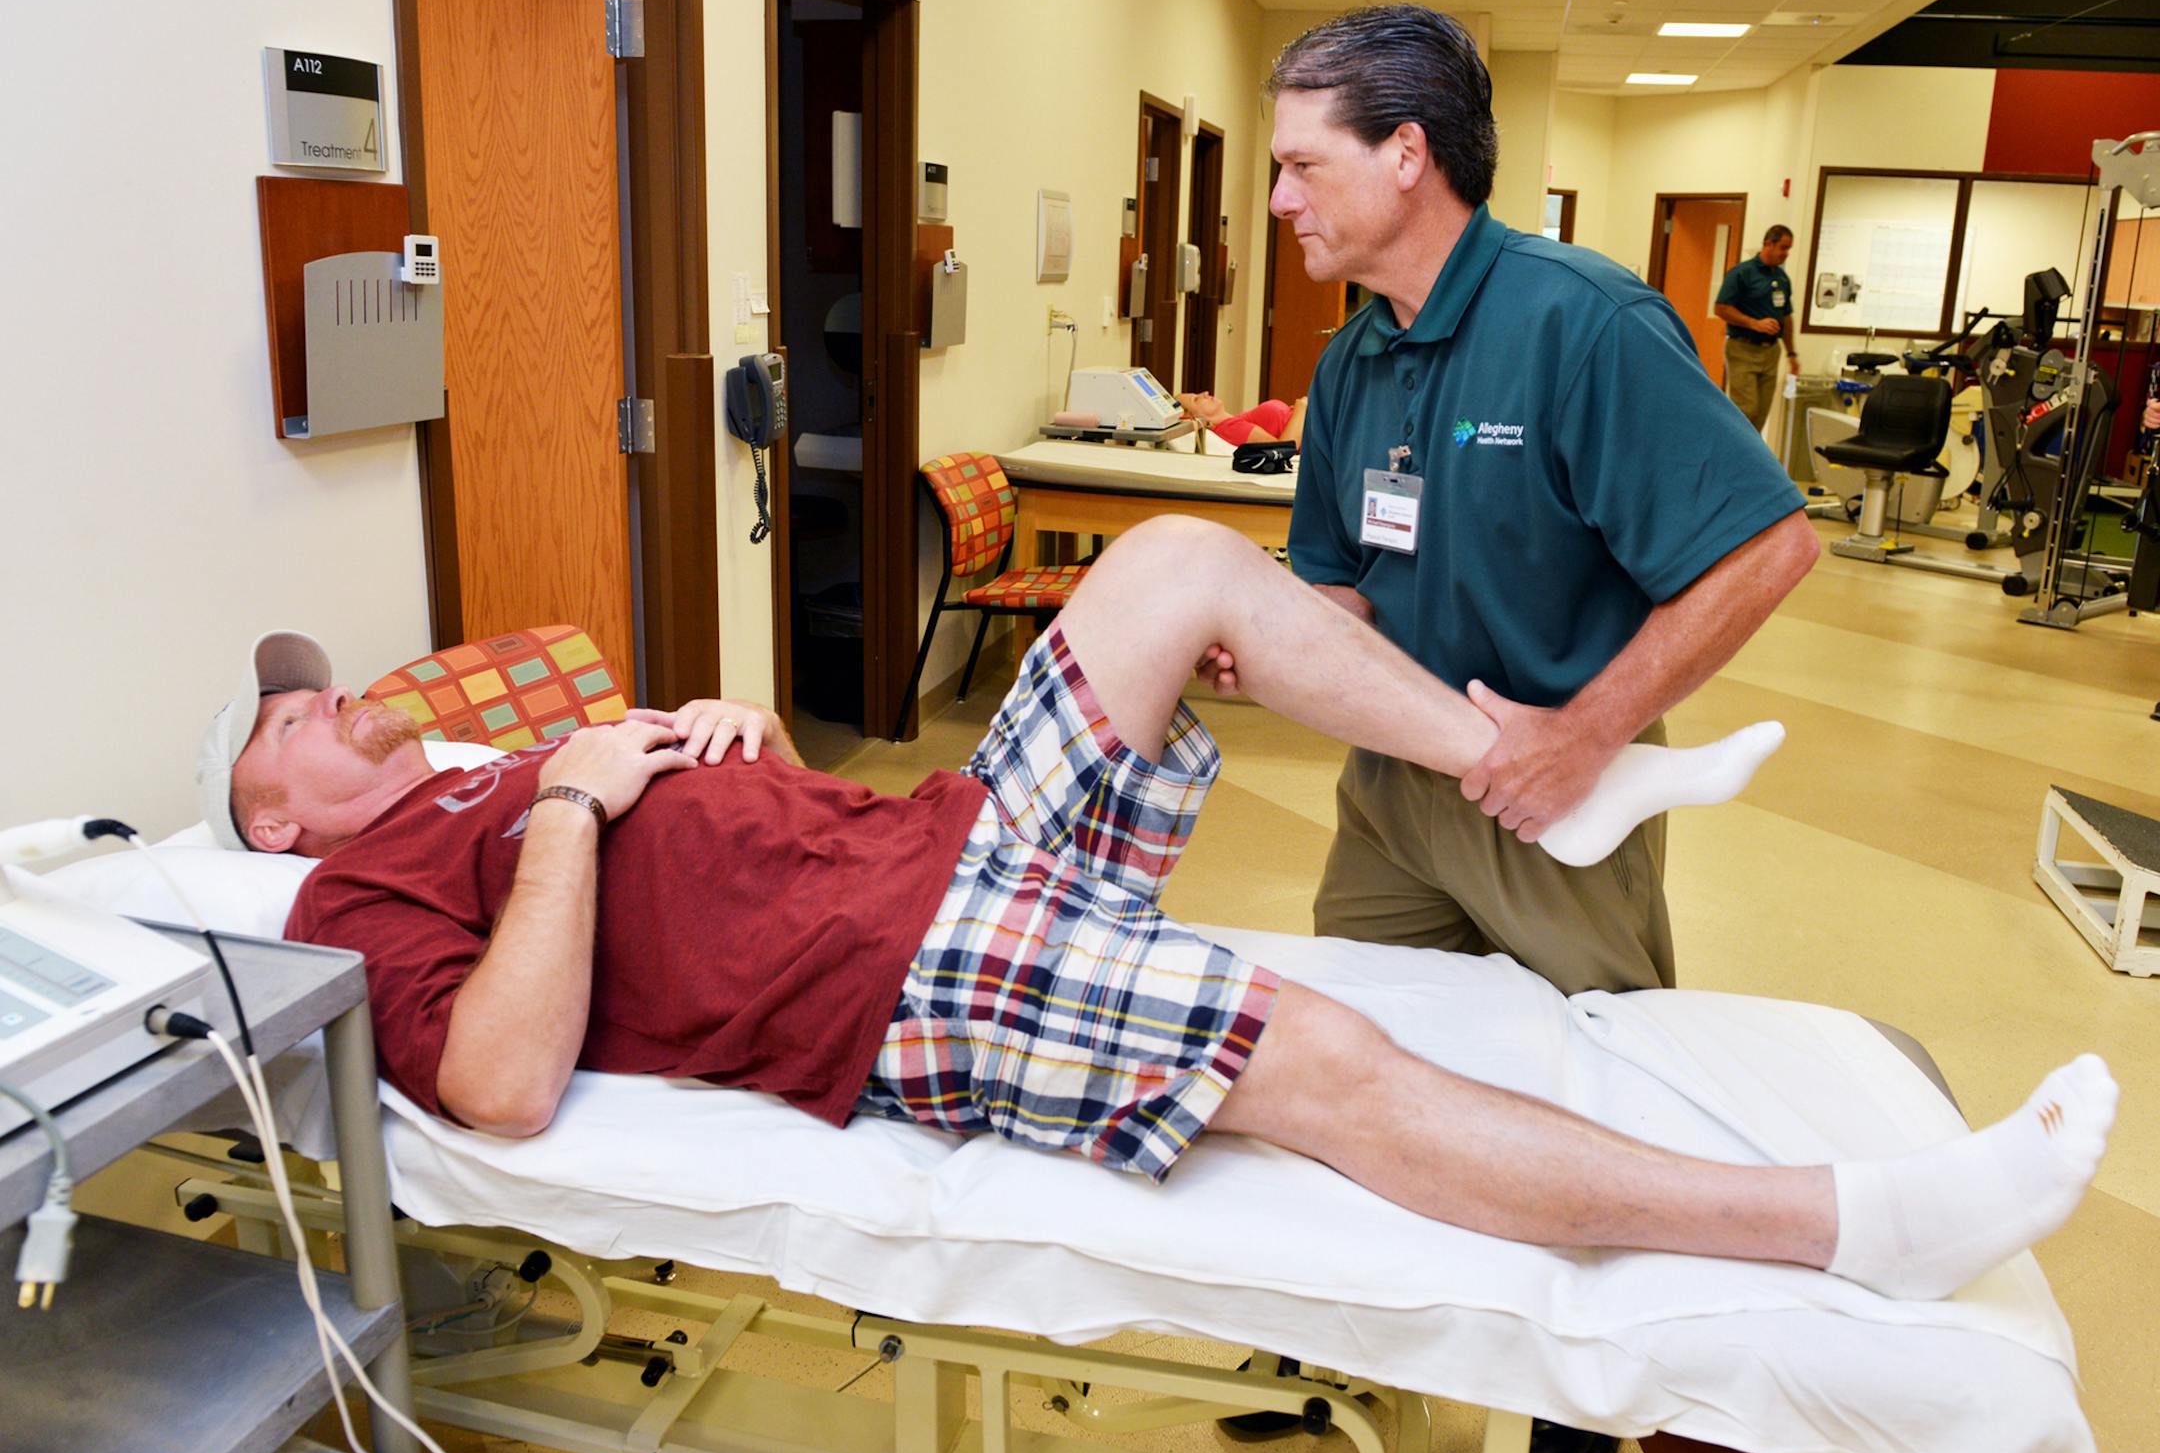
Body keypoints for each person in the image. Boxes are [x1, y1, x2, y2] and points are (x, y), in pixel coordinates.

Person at [196, 516, 2113, 1305]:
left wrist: (716, 741)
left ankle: (1547, 768)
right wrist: (575, 816)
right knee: (1314, 1048)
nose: (327, 684)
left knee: (1181, 561)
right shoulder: (361, 891)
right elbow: (510, 1081)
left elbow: (661, 814)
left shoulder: (477, 761)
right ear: (275, 802)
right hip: (892, 981)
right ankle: (1850, 1232)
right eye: (289, 707)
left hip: (929, 828)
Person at [1210, 5, 1821, 1000]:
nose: (1280, 199)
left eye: (1303, 166)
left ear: (1406, 154)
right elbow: (1348, 591)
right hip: (1394, 790)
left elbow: (1770, 548)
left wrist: (1586, 736)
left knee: (1598, 1073)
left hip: (1556, 790)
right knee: (1366, 1044)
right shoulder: (1352, 361)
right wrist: (1253, 635)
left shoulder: (1583, 324)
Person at [1714, 224, 1803, 432]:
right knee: (1746, 410)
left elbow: (1786, 318)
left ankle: (1750, 462)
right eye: (1783, 247)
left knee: (1761, 414)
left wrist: (1791, 353)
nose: (1786, 254)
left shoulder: (1782, 279)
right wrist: (1754, 323)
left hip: (1771, 353)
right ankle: (1731, 456)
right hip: (1743, 350)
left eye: (1789, 249)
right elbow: (1721, 308)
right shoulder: (1742, 273)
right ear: (1768, 244)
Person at [1177, 391, 1307, 446]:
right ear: (1193, 418)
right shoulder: (1231, 428)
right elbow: (1284, 449)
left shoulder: (1233, 422)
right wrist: (1301, 409)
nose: (1205, 393)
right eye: (1196, 399)